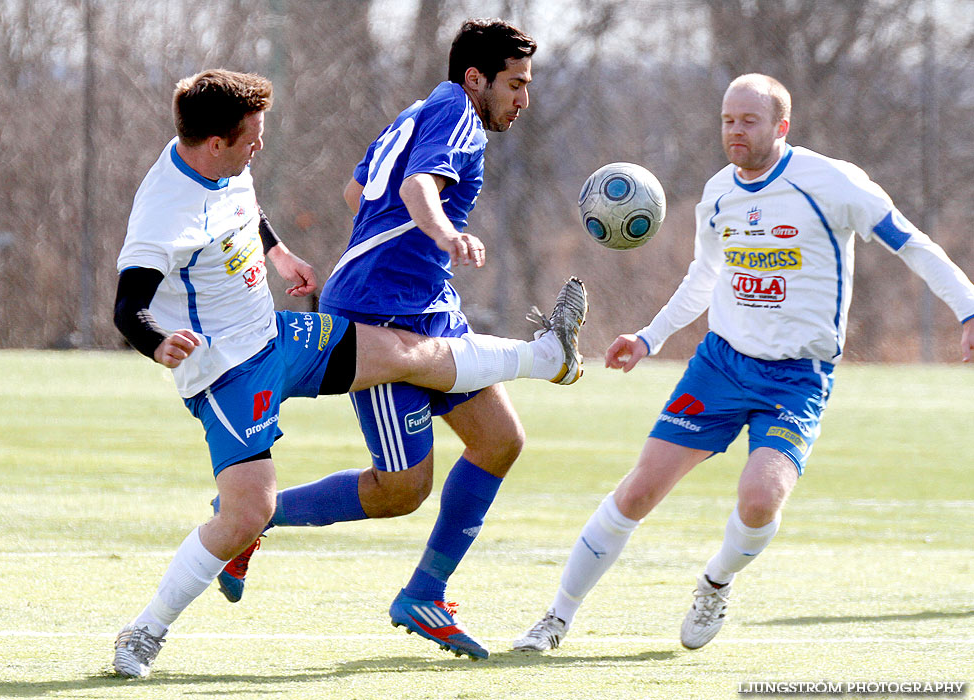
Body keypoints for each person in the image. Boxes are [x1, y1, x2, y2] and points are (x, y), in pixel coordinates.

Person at [110, 68, 587, 678]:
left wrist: (279, 254)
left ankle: (546, 356)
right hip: (227, 373)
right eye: (250, 140)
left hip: (279, 337)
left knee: (403, 349)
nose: (259, 147)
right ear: (213, 143)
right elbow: (128, 306)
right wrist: (157, 343)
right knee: (246, 513)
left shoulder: (222, 157)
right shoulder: (164, 212)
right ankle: (144, 632)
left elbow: (243, 203)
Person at [513, 73, 974, 653]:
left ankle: (715, 582)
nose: (734, 131)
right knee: (638, 491)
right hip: (722, 365)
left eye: (748, 121)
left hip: (796, 379)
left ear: (781, 127)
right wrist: (649, 338)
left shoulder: (832, 184)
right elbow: (704, 277)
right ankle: (555, 617)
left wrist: (967, 310)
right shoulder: (718, 194)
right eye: (728, 120)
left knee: (760, 499)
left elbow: (912, 243)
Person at [216, 19, 550, 661]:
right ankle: (250, 517)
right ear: (475, 78)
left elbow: (356, 190)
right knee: (402, 490)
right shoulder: (457, 112)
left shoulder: (421, 110)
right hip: (380, 314)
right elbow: (415, 186)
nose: (523, 99)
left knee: (500, 440)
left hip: (427, 305)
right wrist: (443, 235)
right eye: (515, 84)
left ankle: (426, 590)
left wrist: (412, 238)